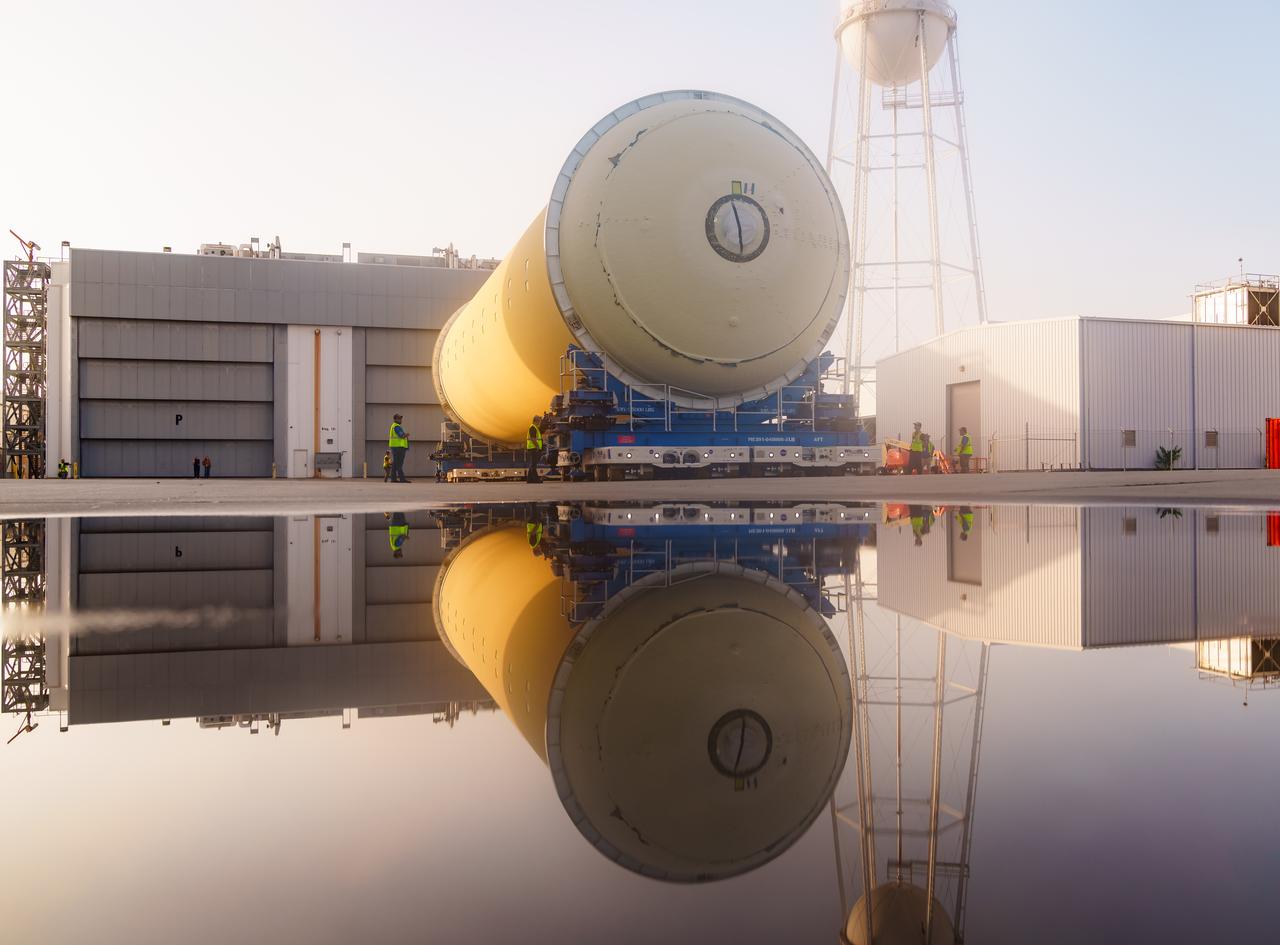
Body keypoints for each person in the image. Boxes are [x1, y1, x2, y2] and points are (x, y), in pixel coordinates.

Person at [388, 413, 410, 483]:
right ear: (395, 419)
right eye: (399, 418)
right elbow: (402, 436)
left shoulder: (394, 426)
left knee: (395, 463)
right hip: (398, 448)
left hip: (396, 447)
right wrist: (406, 434)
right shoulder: (396, 426)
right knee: (399, 464)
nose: (401, 420)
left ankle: (393, 479)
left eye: (400, 418)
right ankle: (402, 479)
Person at [525, 416, 544, 484]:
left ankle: (529, 480)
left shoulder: (535, 427)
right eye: (539, 420)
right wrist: (537, 447)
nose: (540, 422)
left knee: (532, 464)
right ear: (536, 420)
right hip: (533, 448)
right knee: (533, 465)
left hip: (532, 448)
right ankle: (536, 479)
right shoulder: (533, 427)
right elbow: (533, 439)